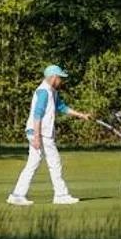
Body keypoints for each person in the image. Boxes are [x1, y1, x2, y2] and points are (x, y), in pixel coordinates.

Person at [7, 64, 92, 206]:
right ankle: (61, 195)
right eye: (60, 78)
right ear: (53, 77)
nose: (61, 81)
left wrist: (81, 115)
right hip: (41, 133)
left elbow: (61, 107)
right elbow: (37, 114)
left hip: (40, 133)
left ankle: (17, 195)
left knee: (33, 164)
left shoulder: (52, 91)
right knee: (55, 162)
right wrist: (36, 136)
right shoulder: (44, 92)